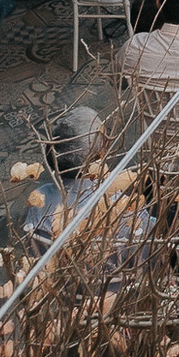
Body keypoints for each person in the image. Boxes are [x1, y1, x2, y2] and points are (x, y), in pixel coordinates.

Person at [24, 106, 152, 258]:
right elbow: (149, 254)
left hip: (55, 272)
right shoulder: (123, 208)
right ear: (99, 155)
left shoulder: (39, 199)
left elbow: (34, 252)